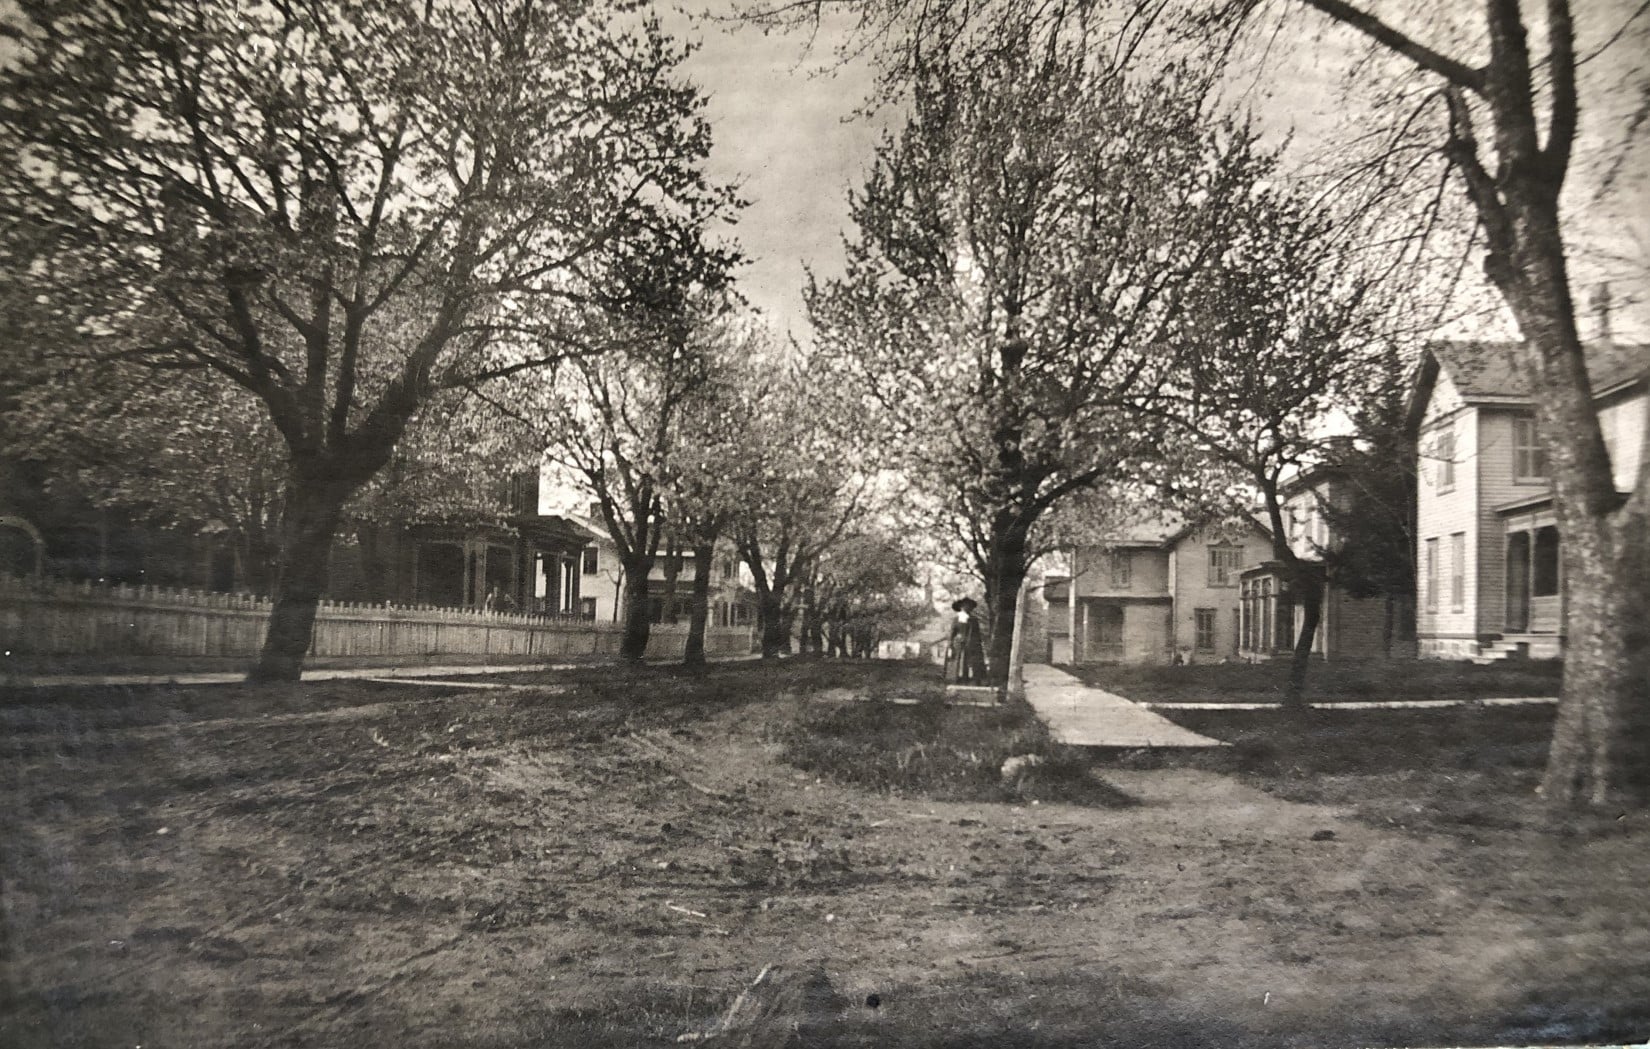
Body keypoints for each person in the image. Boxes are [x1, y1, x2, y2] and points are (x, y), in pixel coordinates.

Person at [949, 597, 987, 684]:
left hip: (973, 643)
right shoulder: (957, 619)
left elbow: (977, 633)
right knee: (960, 661)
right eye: (965, 605)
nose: (967, 607)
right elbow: (952, 632)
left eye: (969, 606)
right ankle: (959, 679)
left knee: (974, 662)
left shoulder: (974, 619)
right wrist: (951, 643)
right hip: (960, 643)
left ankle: (975, 680)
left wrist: (978, 643)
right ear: (961, 607)